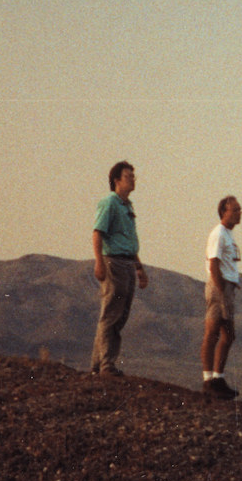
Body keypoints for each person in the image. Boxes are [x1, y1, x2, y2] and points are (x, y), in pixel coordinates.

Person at [90, 160, 147, 376]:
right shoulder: (109, 203)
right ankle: (106, 364)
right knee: (111, 313)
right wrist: (99, 261)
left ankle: (98, 364)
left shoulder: (128, 207)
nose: (133, 180)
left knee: (119, 314)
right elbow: (98, 232)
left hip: (128, 262)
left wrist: (139, 268)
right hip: (113, 261)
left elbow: (130, 240)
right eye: (128, 176)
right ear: (116, 180)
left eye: (133, 176)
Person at [201, 196, 242, 400]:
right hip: (220, 287)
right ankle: (209, 378)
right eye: (235, 210)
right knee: (214, 332)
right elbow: (214, 262)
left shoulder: (228, 235)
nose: (239, 213)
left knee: (227, 335)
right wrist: (221, 289)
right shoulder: (218, 234)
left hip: (226, 287)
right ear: (224, 212)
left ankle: (217, 377)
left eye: (239, 209)